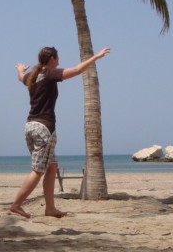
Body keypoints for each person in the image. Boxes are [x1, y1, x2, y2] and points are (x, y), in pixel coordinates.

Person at [9, 45, 111, 219]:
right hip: (43, 129)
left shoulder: (32, 77)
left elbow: (20, 78)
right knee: (38, 170)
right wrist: (96, 57)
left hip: (31, 127)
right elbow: (77, 70)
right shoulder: (49, 74)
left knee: (51, 166)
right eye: (57, 58)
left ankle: (50, 208)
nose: (59, 62)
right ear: (51, 60)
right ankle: (17, 205)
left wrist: (20, 69)